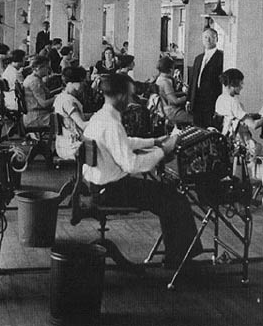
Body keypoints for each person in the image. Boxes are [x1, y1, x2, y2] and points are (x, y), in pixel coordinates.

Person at [82, 73, 201, 267]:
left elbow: (123, 142)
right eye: (130, 95)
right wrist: (164, 150)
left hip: (100, 186)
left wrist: (154, 142)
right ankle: (179, 257)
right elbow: (131, 165)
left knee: (166, 195)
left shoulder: (100, 117)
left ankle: (176, 254)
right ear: (121, 96)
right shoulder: (111, 124)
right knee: (173, 197)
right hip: (112, 191)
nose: (131, 100)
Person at [215, 69, 263, 208]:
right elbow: (254, 125)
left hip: (229, 142)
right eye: (241, 83)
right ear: (233, 84)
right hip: (244, 144)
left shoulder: (221, 99)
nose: (242, 86)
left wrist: (255, 115)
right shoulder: (234, 101)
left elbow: (235, 118)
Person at [188, 28, 223, 128]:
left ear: (216, 39)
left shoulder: (221, 58)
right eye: (205, 37)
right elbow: (193, 81)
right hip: (196, 101)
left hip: (211, 102)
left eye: (211, 37)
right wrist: (189, 99)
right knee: (197, 129)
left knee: (209, 130)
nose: (208, 40)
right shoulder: (198, 58)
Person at [53, 67, 89, 160]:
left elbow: (74, 118)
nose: (84, 85)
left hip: (63, 144)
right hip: (73, 147)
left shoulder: (60, 97)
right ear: (72, 83)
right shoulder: (68, 101)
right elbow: (82, 125)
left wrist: (95, 115)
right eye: (82, 82)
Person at [155, 56, 190, 127]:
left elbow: (169, 94)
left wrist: (183, 93)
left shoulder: (159, 79)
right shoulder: (165, 82)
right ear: (170, 69)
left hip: (163, 109)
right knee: (195, 119)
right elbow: (175, 101)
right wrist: (188, 97)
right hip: (170, 111)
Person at [23, 56, 54, 128]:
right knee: (65, 118)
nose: (48, 70)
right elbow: (44, 104)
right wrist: (57, 97)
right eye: (47, 67)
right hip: (37, 118)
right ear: (38, 68)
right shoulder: (35, 82)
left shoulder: (31, 77)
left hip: (33, 115)